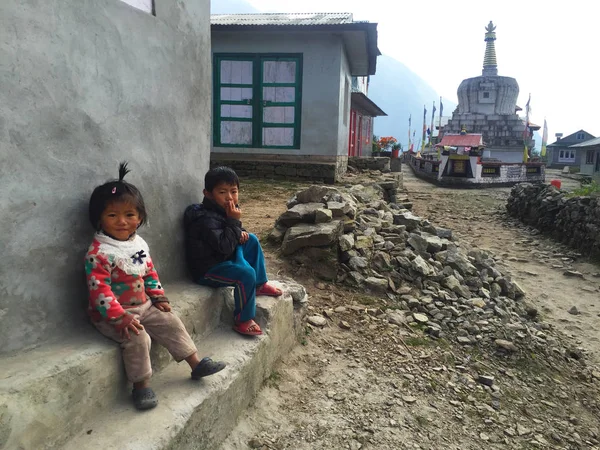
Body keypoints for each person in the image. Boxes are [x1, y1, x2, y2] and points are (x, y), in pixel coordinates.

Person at [85, 162, 226, 411]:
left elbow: (148, 272)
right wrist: (120, 317)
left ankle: (196, 363)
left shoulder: (136, 244)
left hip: (144, 306)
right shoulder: (99, 253)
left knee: (170, 320)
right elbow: (100, 293)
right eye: (112, 215)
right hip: (113, 315)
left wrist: (158, 296)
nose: (122, 222)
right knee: (138, 339)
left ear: (140, 217)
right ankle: (141, 386)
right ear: (99, 219)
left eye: (129, 215)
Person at [184, 166, 282, 336]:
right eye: (222, 192)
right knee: (246, 273)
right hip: (208, 269)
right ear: (207, 193)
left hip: (221, 257)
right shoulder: (204, 219)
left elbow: (228, 232)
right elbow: (225, 246)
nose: (229, 197)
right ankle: (243, 320)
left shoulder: (222, 210)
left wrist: (239, 230)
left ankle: (260, 284)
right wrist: (234, 224)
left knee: (251, 239)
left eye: (233, 191)